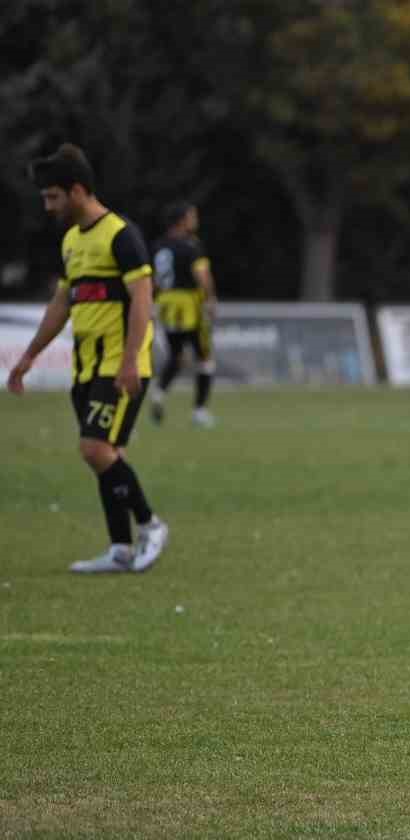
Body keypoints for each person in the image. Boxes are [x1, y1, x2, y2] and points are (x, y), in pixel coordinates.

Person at [7, 144, 170, 573]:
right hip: (86, 368)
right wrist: (28, 357)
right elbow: (62, 305)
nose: (47, 206)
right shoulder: (72, 242)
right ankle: (119, 548)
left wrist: (132, 360)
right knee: (107, 453)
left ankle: (151, 526)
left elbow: (142, 300)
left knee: (94, 448)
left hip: (118, 366)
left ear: (77, 190)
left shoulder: (121, 235)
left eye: (52, 196)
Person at [150, 200, 219, 427]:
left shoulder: (159, 246)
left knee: (176, 355)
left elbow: (152, 280)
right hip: (189, 304)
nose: (195, 220)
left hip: (167, 305)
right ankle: (199, 411)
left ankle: (158, 394)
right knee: (205, 357)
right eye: (192, 216)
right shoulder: (191, 246)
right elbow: (202, 274)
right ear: (182, 220)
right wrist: (210, 299)